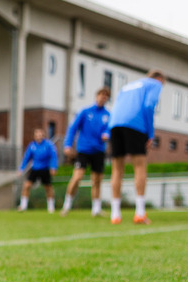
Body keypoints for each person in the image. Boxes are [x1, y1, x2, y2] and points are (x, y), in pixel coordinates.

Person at [108, 69, 165, 225]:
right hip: (136, 124)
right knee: (139, 166)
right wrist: (150, 133)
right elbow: (148, 106)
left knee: (117, 169)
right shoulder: (155, 84)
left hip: (115, 125)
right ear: (160, 78)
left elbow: (116, 107)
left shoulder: (128, 86)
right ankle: (140, 213)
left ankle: (115, 215)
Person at [62, 87, 111, 217]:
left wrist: (106, 134)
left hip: (99, 151)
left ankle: (96, 209)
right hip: (84, 150)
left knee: (97, 181)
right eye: (101, 95)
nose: (103, 98)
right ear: (97, 96)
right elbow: (73, 128)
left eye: (106, 96)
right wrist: (67, 145)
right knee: (77, 177)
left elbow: (109, 130)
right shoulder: (85, 111)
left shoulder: (108, 115)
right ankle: (67, 205)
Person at [18, 128, 59, 212]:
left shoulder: (48, 145)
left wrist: (53, 167)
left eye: (40, 135)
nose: (38, 136)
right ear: (34, 136)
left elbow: (53, 156)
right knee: (26, 186)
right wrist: (21, 169)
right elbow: (26, 158)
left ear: (43, 135)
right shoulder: (32, 145)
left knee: (48, 188)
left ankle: (51, 207)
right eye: (37, 135)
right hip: (35, 169)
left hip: (45, 169)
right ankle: (23, 206)